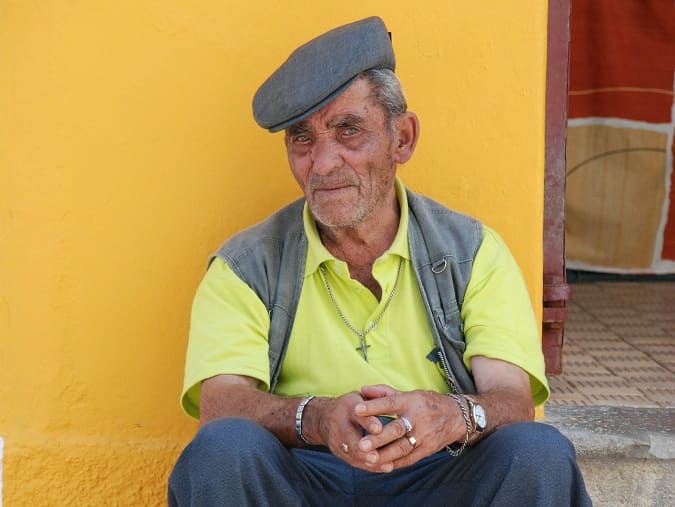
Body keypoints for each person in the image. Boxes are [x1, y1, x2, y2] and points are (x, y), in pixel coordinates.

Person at [169, 16, 591, 507]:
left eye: (348, 130)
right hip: (303, 478)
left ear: (402, 139)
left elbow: (513, 401)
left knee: (538, 452)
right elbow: (221, 405)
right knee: (222, 450)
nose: (323, 163)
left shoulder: (471, 252)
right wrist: (320, 418)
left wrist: (448, 415)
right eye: (302, 139)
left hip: (439, 473)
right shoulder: (246, 265)